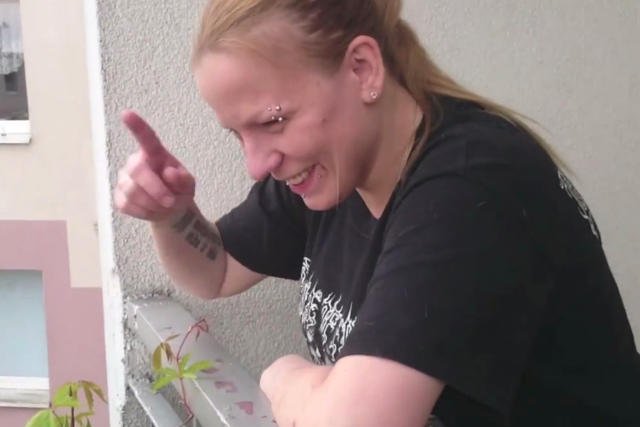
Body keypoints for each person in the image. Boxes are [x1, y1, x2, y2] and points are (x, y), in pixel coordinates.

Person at [114, 1, 640, 426]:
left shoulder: (471, 184)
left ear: (362, 69)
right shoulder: (329, 174)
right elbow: (218, 271)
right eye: (238, 134)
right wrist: (171, 215)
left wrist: (286, 376)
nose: (256, 164)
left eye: (273, 121)